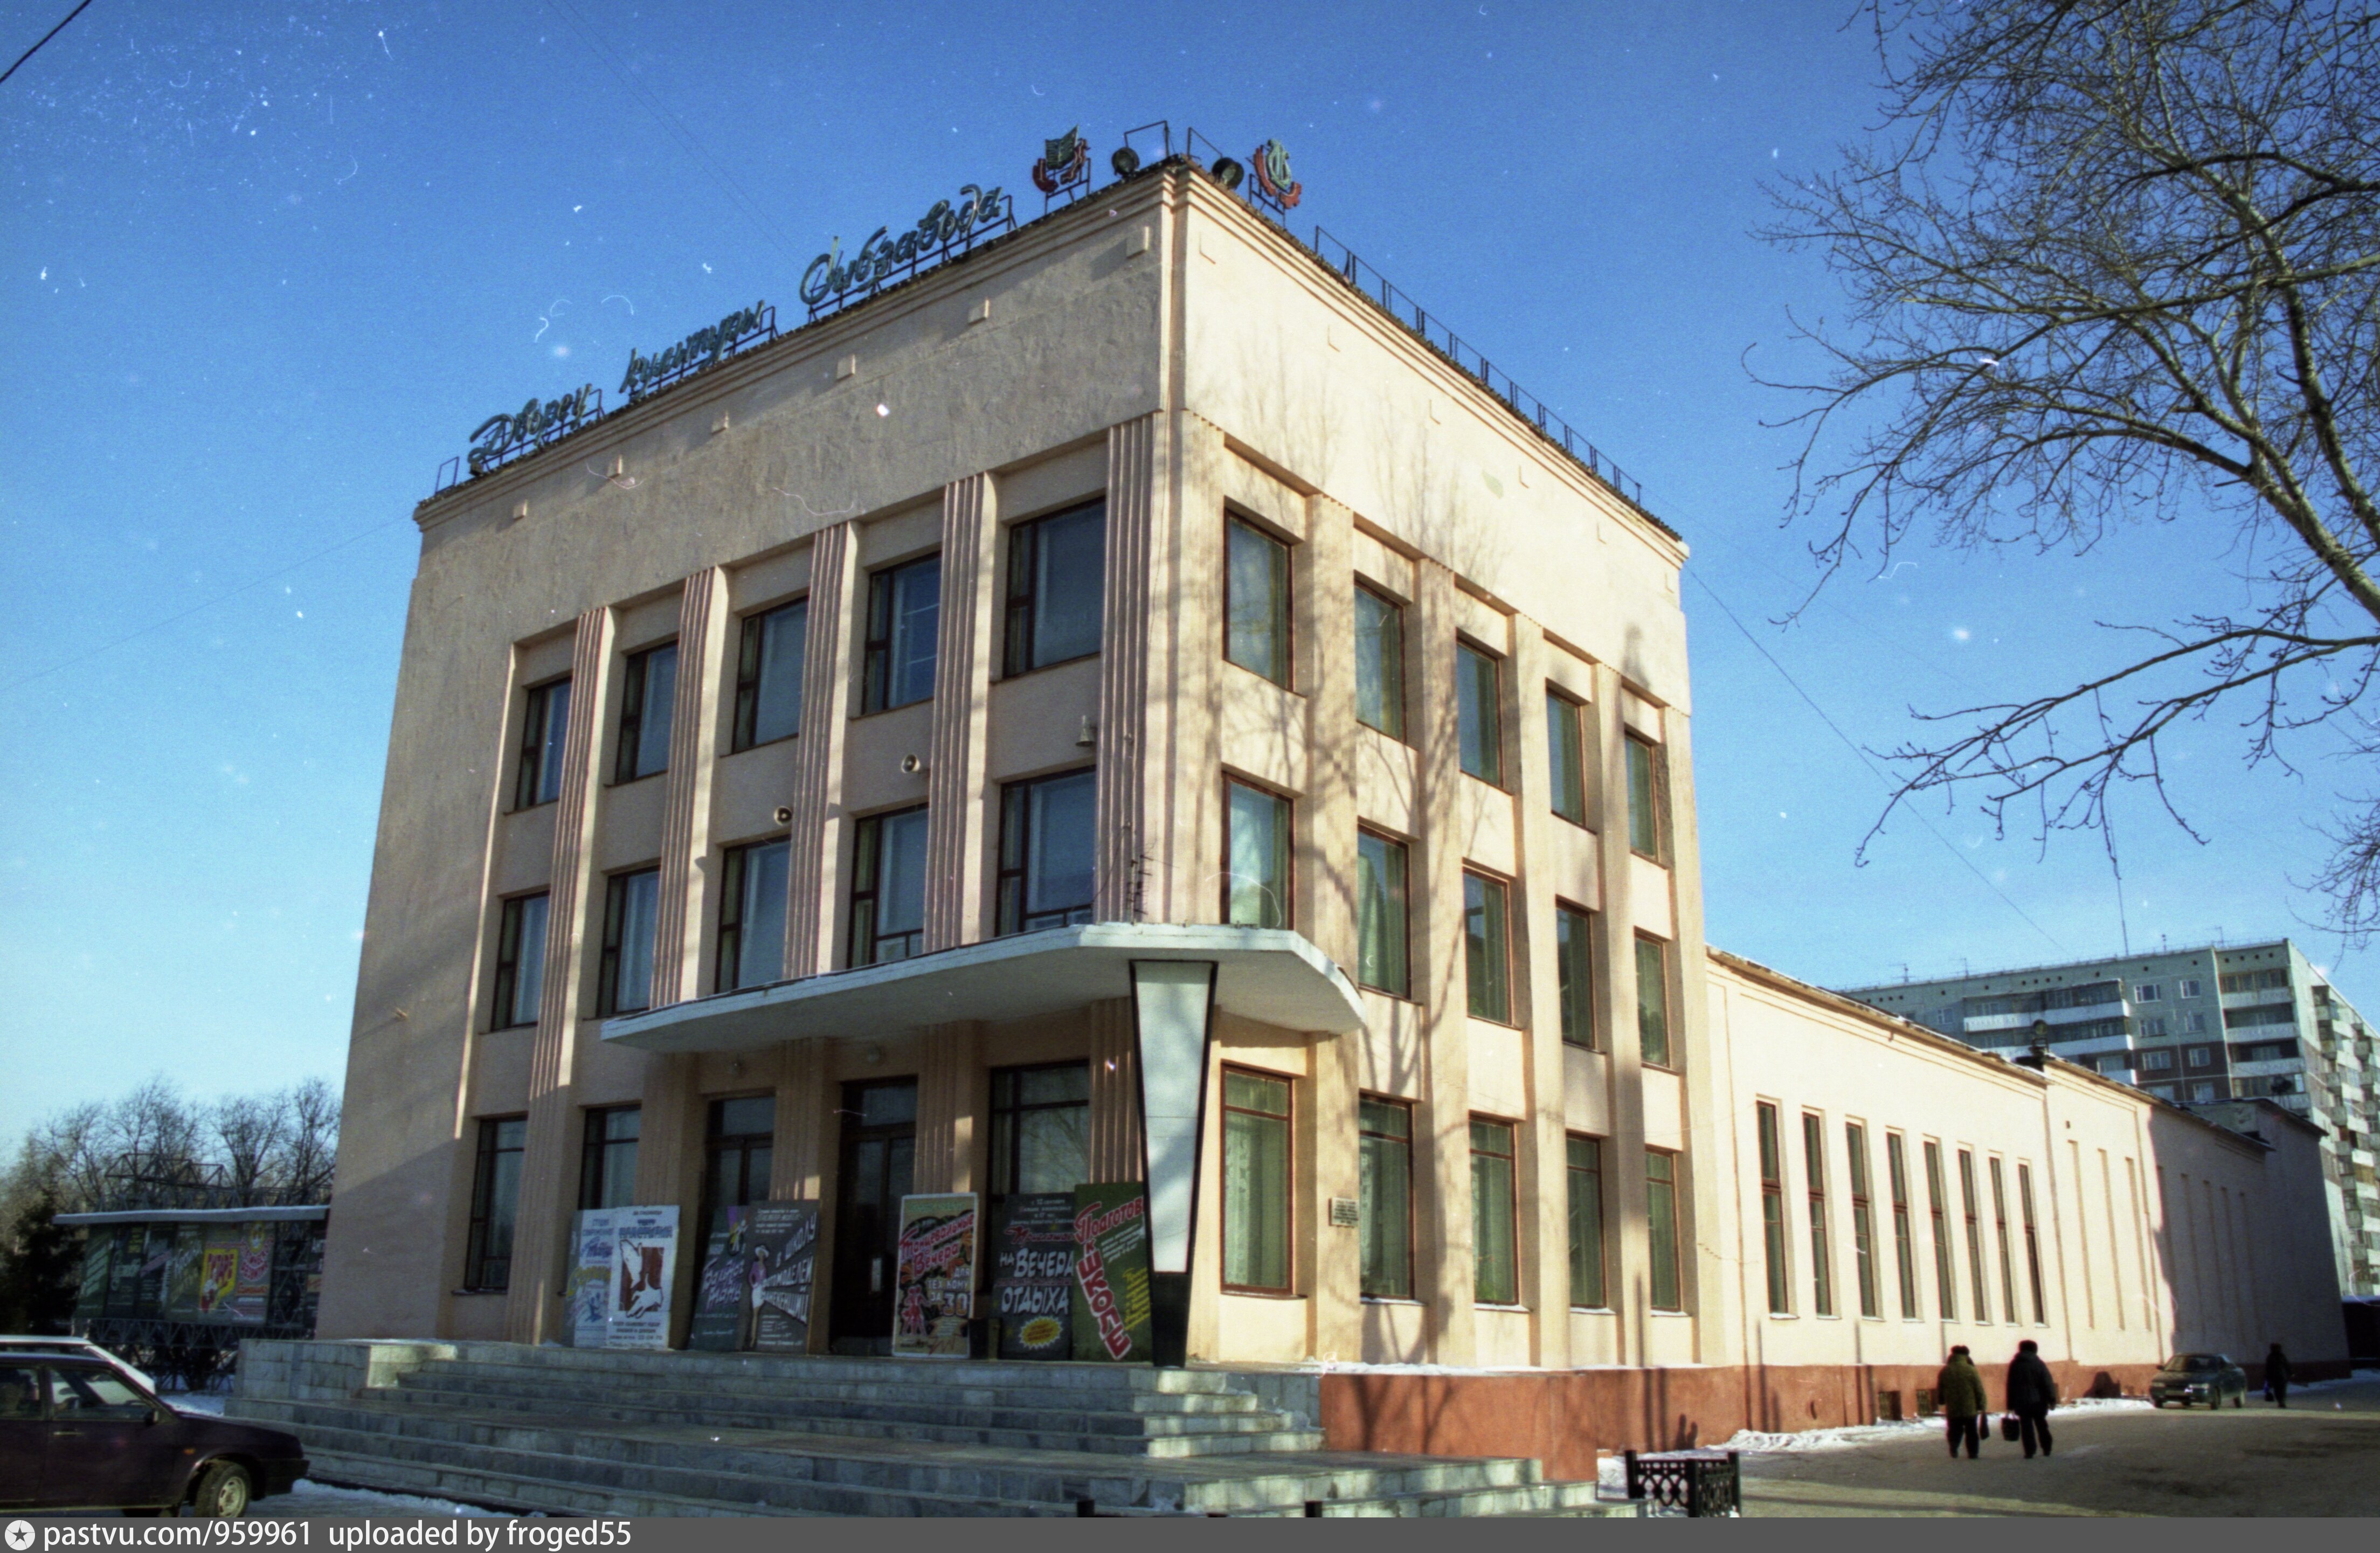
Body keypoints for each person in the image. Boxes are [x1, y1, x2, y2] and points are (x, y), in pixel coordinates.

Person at [2005, 1339, 2058, 1458]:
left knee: (2026, 1427)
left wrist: (2010, 1404)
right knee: (2042, 1425)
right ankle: (2047, 1448)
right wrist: (2052, 1399)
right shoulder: (2039, 1363)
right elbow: (2047, 1382)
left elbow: (2011, 1385)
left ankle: (2029, 1451)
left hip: (2022, 1402)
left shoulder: (2015, 1364)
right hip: (2039, 1401)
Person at [1938, 1344, 1987, 1459]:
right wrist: (1982, 1405)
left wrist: (1941, 1400)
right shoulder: (1971, 1370)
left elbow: (1941, 1388)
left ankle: (1954, 1446)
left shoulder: (1945, 1371)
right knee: (1971, 1431)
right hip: (1970, 1407)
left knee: (1954, 1429)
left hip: (1953, 1407)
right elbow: (1978, 1389)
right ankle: (1973, 1453)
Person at [2266, 1342, 2294, 1408]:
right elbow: (2287, 1365)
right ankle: (2281, 1401)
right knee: (2280, 1390)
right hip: (2279, 1376)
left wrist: (2290, 1372)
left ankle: (2281, 1402)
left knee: (2280, 1390)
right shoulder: (2277, 1356)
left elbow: (2287, 1365)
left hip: (2279, 1376)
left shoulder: (2274, 1356)